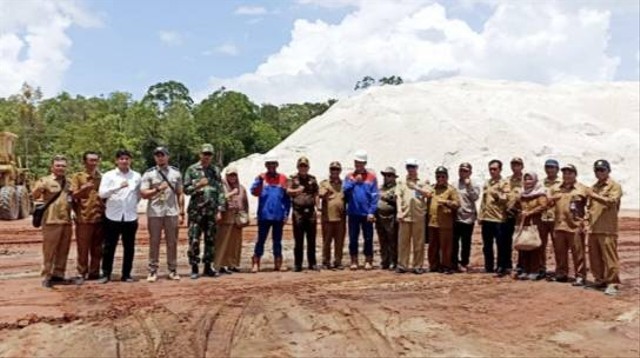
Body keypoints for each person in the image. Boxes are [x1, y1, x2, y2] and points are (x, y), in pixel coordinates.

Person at [140, 146, 184, 282]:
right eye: (158, 155)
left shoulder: (175, 173)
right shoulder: (149, 174)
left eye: (163, 155)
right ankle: (153, 270)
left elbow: (180, 193)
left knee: (172, 242)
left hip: (171, 212)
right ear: (154, 157)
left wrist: (182, 212)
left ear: (168, 156)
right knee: (154, 242)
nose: (160, 157)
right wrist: (158, 188)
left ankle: (172, 269)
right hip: (155, 212)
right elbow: (143, 194)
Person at [98, 149, 142, 283]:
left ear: (130, 160)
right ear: (116, 161)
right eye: (121, 159)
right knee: (109, 246)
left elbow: (138, 195)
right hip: (112, 216)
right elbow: (102, 194)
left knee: (129, 247)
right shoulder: (108, 175)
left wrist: (132, 205)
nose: (124, 161)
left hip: (130, 216)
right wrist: (117, 187)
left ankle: (126, 274)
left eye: (127, 159)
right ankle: (106, 273)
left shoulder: (136, 176)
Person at [183, 144, 226, 279]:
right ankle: (194, 267)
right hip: (196, 211)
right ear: (200, 154)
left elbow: (220, 191)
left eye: (209, 155)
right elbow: (186, 190)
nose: (206, 157)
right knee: (194, 239)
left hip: (211, 211)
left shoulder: (215, 170)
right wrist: (198, 185)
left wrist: (220, 209)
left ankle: (208, 267)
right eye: (204, 154)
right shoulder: (192, 169)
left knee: (210, 240)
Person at [33, 155, 73, 288]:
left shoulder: (69, 182)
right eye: (58, 165)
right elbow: (34, 195)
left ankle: (58, 275)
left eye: (63, 166)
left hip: (66, 220)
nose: (61, 168)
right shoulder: (45, 180)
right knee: (49, 250)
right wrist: (39, 188)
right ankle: (46, 276)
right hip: (51, 220)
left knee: (63, 250)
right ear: (52, 167)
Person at [586, 159, 623, 296]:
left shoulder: (614, 186)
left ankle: (612, 282)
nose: (599, 173)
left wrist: (594, 195)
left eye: (602, 170)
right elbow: (590, 207)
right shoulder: (594, 187)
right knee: (594, 256)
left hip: (608, 228)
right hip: (594, 227)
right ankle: (599, 279)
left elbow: (612, 201)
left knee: (609, 257)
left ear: (608, 171)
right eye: (597, 170)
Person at [250, 153, 291, 273]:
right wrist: (258, 181)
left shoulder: (283, 178)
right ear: (266, 165)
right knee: (261, 240)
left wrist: (286, 214)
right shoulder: (261, 178)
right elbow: (254, 192)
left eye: (273, 164)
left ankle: (278, 262)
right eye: (269, 164)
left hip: (278, 216)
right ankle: (256, 262)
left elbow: (287, 198)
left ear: (277, 165)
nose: (271, 166)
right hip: (264, 215)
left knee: (277, 240)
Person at [548, 164, 588, 285]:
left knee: (578, 253)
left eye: (570, 173)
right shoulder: (556, 188)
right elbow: (548, 203)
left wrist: (584, 222)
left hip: (575, 226)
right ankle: (561, 273)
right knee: (560, 251)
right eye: (565, 173)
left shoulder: (582, 189)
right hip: (559, 224)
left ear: (575, 174)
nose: (567, 175)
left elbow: (590, 207)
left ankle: (580, 276)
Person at [70, 151, 104, 283]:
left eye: (96, 160)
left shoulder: (102, 178)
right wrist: (83, 188)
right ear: (85, 162)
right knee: (83, 248)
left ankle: (94, 272)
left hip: (100, 217)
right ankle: (81, 273)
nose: (94, 163)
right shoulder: (77, 177)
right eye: (91, 160)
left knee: (97, 248)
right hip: (84, 218)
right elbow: (73, 196)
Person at [343, 150, 378, 270]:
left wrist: (371, 212)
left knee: (368, 238)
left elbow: (374, 196)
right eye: (357, 162)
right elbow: (345, 190)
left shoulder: (371, 177)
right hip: (353, 213)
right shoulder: (349, 176)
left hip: (366, 213)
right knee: (353, 238)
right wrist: (353, 182)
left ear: (365, 163)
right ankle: (354, 260)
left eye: (361, 163)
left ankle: (368, 260)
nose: (359, 165)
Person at [395, 158, 429, 274]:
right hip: (405, 215)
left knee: (418, 243)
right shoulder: (401, 181)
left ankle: (417, 265)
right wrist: (399, 211)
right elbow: (398, 197)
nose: (411, 169)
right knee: (403, 242)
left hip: (418, 215)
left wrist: (416, 187)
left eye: (413, 167)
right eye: (409, 167)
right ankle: (402, 265)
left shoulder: (423, 181)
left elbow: (428, 194)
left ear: (417, 168)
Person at [513, 172, 549, 280]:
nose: (527, 182)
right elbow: (515, 206)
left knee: (535, 246)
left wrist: (530, 212)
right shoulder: (522, 194)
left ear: (535, 181)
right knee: (523, 246)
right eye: (526, 179)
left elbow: (543, 206)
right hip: (524, 223)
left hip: (536, 223)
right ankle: (524, 269)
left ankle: (535, 270)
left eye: (530, 179)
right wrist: (519, 210)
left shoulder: (540, 193)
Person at [287, 156, 320, 272]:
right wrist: (297, 190)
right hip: (298, 212)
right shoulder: (293, 178)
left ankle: (313, 263)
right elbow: (288, 191)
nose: (303, 168)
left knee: (312, 239)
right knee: (299, 239)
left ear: (308, 167)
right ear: (297, 167)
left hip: (310, 211)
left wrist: (318, 206)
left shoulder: (312, 179)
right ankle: (298, 264)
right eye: (301, 166)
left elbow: (316, 193)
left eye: (305, 166)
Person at [479, 159, 511, 276]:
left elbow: (507, 198)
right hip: (487, 218)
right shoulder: (487, 183)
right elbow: (483, 201)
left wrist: (497, 195)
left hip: (499, 218)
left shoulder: (504, 183)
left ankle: (501, 266)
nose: (492, 171)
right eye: (490, 169)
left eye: (494, 169)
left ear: (500, 170)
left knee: (500, 244)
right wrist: (480, 215)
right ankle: (489, 266)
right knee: (487, 245)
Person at [214, 166, 248, 273]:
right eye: (230, 175)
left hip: (237, 220)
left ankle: (233, 264)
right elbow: (219, 199)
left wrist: (246, 216)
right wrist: (231, 193)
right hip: (225, 218)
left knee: (235, 244)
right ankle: (220, 264)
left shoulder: (241, 188)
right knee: (223, 243)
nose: (232, 177)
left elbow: (245, 203)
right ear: (226, 176)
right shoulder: (221, 187)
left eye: (234, 175)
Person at [427, 166, 461, 274]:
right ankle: (434, 265)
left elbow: (457, 204)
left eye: (442, 176)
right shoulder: (432, 189)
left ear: (446, 177)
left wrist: (446, 202)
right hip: (433, 222)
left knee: (446, 246)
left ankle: (446, 265)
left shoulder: (451, 190)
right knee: (433, 246)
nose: (440, 178)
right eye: (438, 176)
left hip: (445, 223)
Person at [452, 162, 480, 273]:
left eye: (465, 171)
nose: (462, 173)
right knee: (454, 242)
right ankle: (454, 263)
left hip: (468, 218)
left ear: (470, 172)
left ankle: (464, 262)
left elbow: (475, 197)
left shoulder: (474, 184)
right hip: (456, 217)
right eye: (461, 170)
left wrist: (469, 186)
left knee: (466, 242)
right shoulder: (454, 184)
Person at [318, 161, 346, 270]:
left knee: (339, 241)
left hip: (340, 217)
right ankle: (326, 261)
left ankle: (338, 261)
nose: (334, 171)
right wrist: (326, 191)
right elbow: (320, 194)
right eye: (332, 169)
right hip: (328, 217)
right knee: (327, 241)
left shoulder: (343, 184)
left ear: (340, 171)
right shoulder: (324, 183)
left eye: (337, 169)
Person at [539, 159, 561, 277]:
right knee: (541, 245)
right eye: (547, 167)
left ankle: (560, 270)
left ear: (557, 169)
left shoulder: (562, 183)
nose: (550, 170)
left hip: (556, 218)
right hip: (542, 217)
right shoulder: (541, 183)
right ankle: (541, 268)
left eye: (552, 167)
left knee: (558, 246)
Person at [375, 167, 398, 270]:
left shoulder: (396, 188)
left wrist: (385, 197)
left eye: (388, 175)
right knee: (382, 239)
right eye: (384, 175)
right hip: (379, 217)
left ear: (393, 177)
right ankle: (385, 260)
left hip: (390, 216)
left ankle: (394, 261)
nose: (386, 178)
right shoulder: (381, 188)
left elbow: (396, 201)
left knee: (392, 240)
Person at [505, 157, 524, 275]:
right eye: (513, 164)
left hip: (520, 214)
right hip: (507, 213)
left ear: (522, 166)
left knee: (521, 240)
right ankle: (507, 264)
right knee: (506, 240)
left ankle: (521, 264)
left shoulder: (525, 179)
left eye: (517, 164)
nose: (515, 167)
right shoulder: (506, 180)